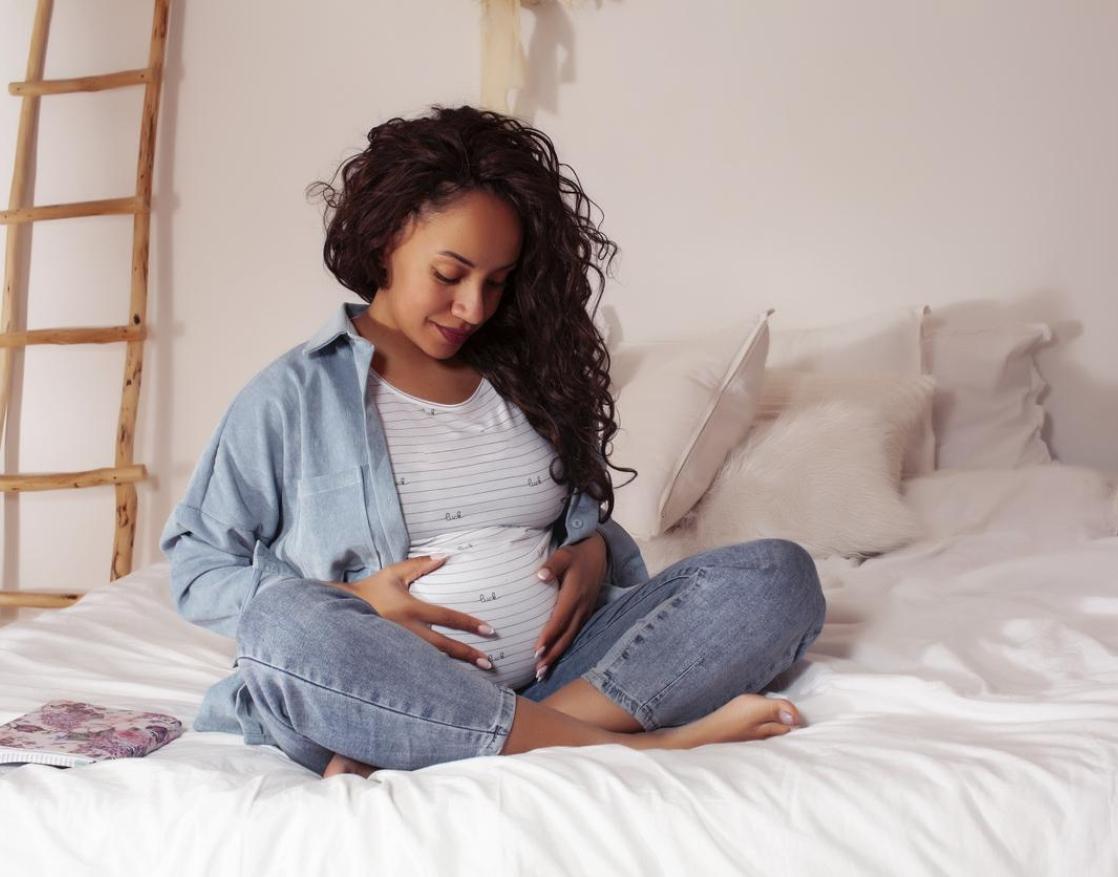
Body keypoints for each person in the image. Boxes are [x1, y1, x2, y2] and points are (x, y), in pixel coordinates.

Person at [160, 104, 826, 779]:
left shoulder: (526, 377)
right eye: (450, 275)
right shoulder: (292, 395)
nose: (474, 308)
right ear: (387, 237)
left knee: (778, 576)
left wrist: (594, 552)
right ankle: (636, 747)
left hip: (561, 672)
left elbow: (576, 521)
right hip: (380, 680)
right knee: (286, 630)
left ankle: (467, 736)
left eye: (496, 282)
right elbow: (196, 566)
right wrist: (357, 601)